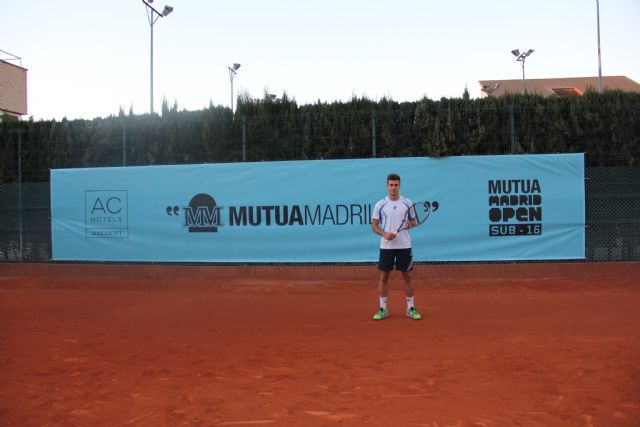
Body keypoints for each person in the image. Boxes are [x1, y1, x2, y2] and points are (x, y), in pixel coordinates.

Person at [371, 173, 422, 320]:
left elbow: (413, 221)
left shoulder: (407, 203)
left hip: (404, 245)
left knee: (407, 275)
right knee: (384, 275)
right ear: (387, 186)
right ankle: (383, 309)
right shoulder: (380, 204)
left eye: (396, 185)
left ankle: (410, 308)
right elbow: (374, 225)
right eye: (391, 185)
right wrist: (384, 234)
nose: (393, 188)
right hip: (386, 246)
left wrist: (409, 224)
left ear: (400, 186)